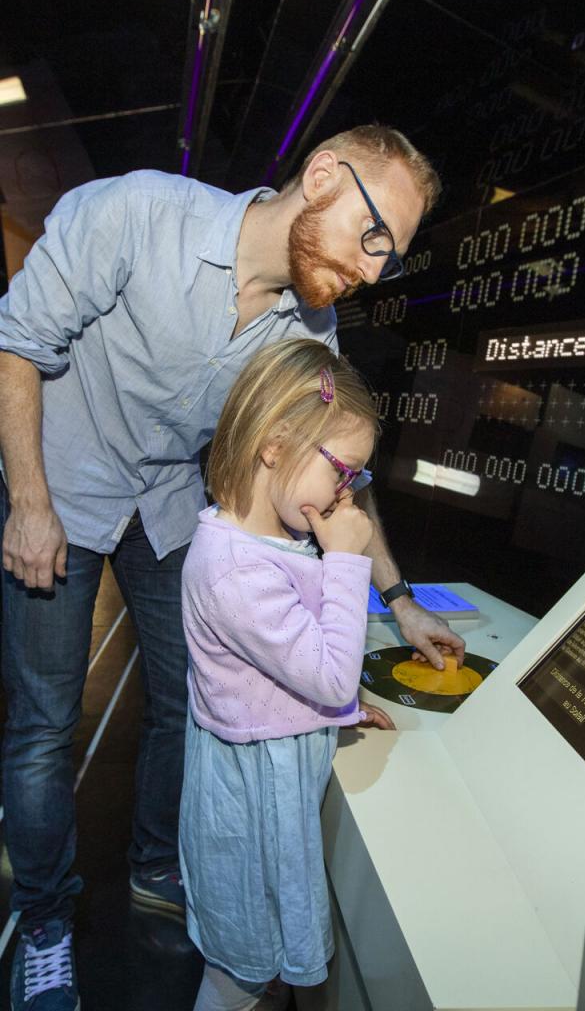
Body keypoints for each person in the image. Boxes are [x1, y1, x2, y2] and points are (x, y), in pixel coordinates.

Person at [0, 124, 464, 1010]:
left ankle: (154, 869)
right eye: (374, 237)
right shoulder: (137, 211)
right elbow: (17, 343)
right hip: (60, 480)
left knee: (186, 702)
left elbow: (342, 476)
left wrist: (398, 599)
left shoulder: (312, 336)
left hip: (166, 506)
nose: (374, 270)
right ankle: (47, 920)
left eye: (390, 258)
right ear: (322, 174)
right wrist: (26, 500)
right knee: (45, 724)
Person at [180, 338, 383, 1010]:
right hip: (248, 807)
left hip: (272, 784)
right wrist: (348, 560)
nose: (344, 492)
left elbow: (291, 670)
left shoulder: (273, 543)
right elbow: (324, 674)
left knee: (260, 963)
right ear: (274, 445)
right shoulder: (235, 567)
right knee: (237, 972)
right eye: (341, 470)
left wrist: (343, 712)